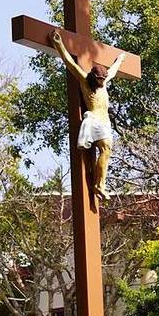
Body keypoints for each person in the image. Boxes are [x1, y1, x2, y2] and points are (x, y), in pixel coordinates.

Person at [50, 30, 125, 200]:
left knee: (107, 151)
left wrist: (119, 60)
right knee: (105, 147)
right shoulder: (85, 80)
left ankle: (100, 184)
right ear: (94, 77)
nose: (101, 82)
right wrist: (60, 45)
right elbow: (70, 63)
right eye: (99, 80)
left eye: (102, 80)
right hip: (95, 120)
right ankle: (99, 185)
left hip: (105, 122)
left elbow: (112, 72)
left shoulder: (103, 82)